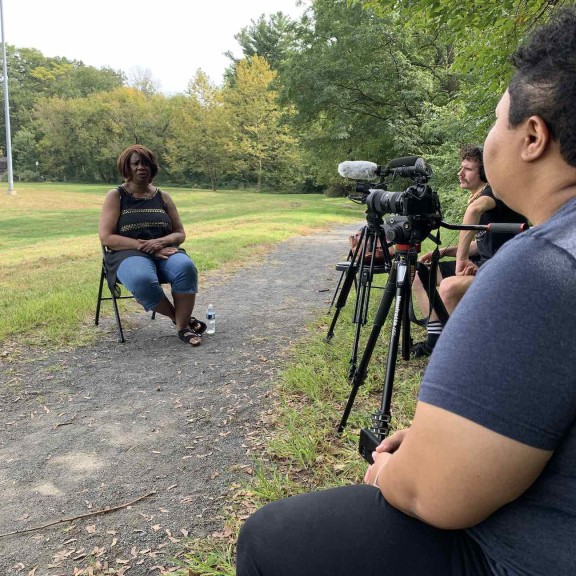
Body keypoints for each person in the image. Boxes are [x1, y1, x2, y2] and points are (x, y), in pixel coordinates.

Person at [236, 6, 576, 575]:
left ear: (533, 136)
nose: (490, 138)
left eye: (497, 121)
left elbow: (434, 495)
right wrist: (435, 439)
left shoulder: (546, 266)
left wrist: (397, 471)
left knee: (269, 538)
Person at [411, 144, 527, 357]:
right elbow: (482, 242)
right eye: (461, 168)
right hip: (484, 265)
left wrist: (461, 260)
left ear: (484, 172)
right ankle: (435, 339)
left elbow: (475, 210)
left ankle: (467, 351)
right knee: (419, 274)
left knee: (448, 287)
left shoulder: (495, 192)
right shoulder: (482, 196)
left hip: (504, 271)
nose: (460, 173)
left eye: (467, 169)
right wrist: (448, 252)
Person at [99, 144, 206, 346]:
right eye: (136, 163)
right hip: (126, 254)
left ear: (152, 167)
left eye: (146, 163)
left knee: (185, 266)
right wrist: (148, 247)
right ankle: (180, 320)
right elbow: (107, 238)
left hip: (164, 251)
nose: (141, 167)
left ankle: (182, 329)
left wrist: (161, 242)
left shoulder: (163, 197)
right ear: (126, 168)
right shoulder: (116, 196)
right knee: (141, 277)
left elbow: (180, 233)